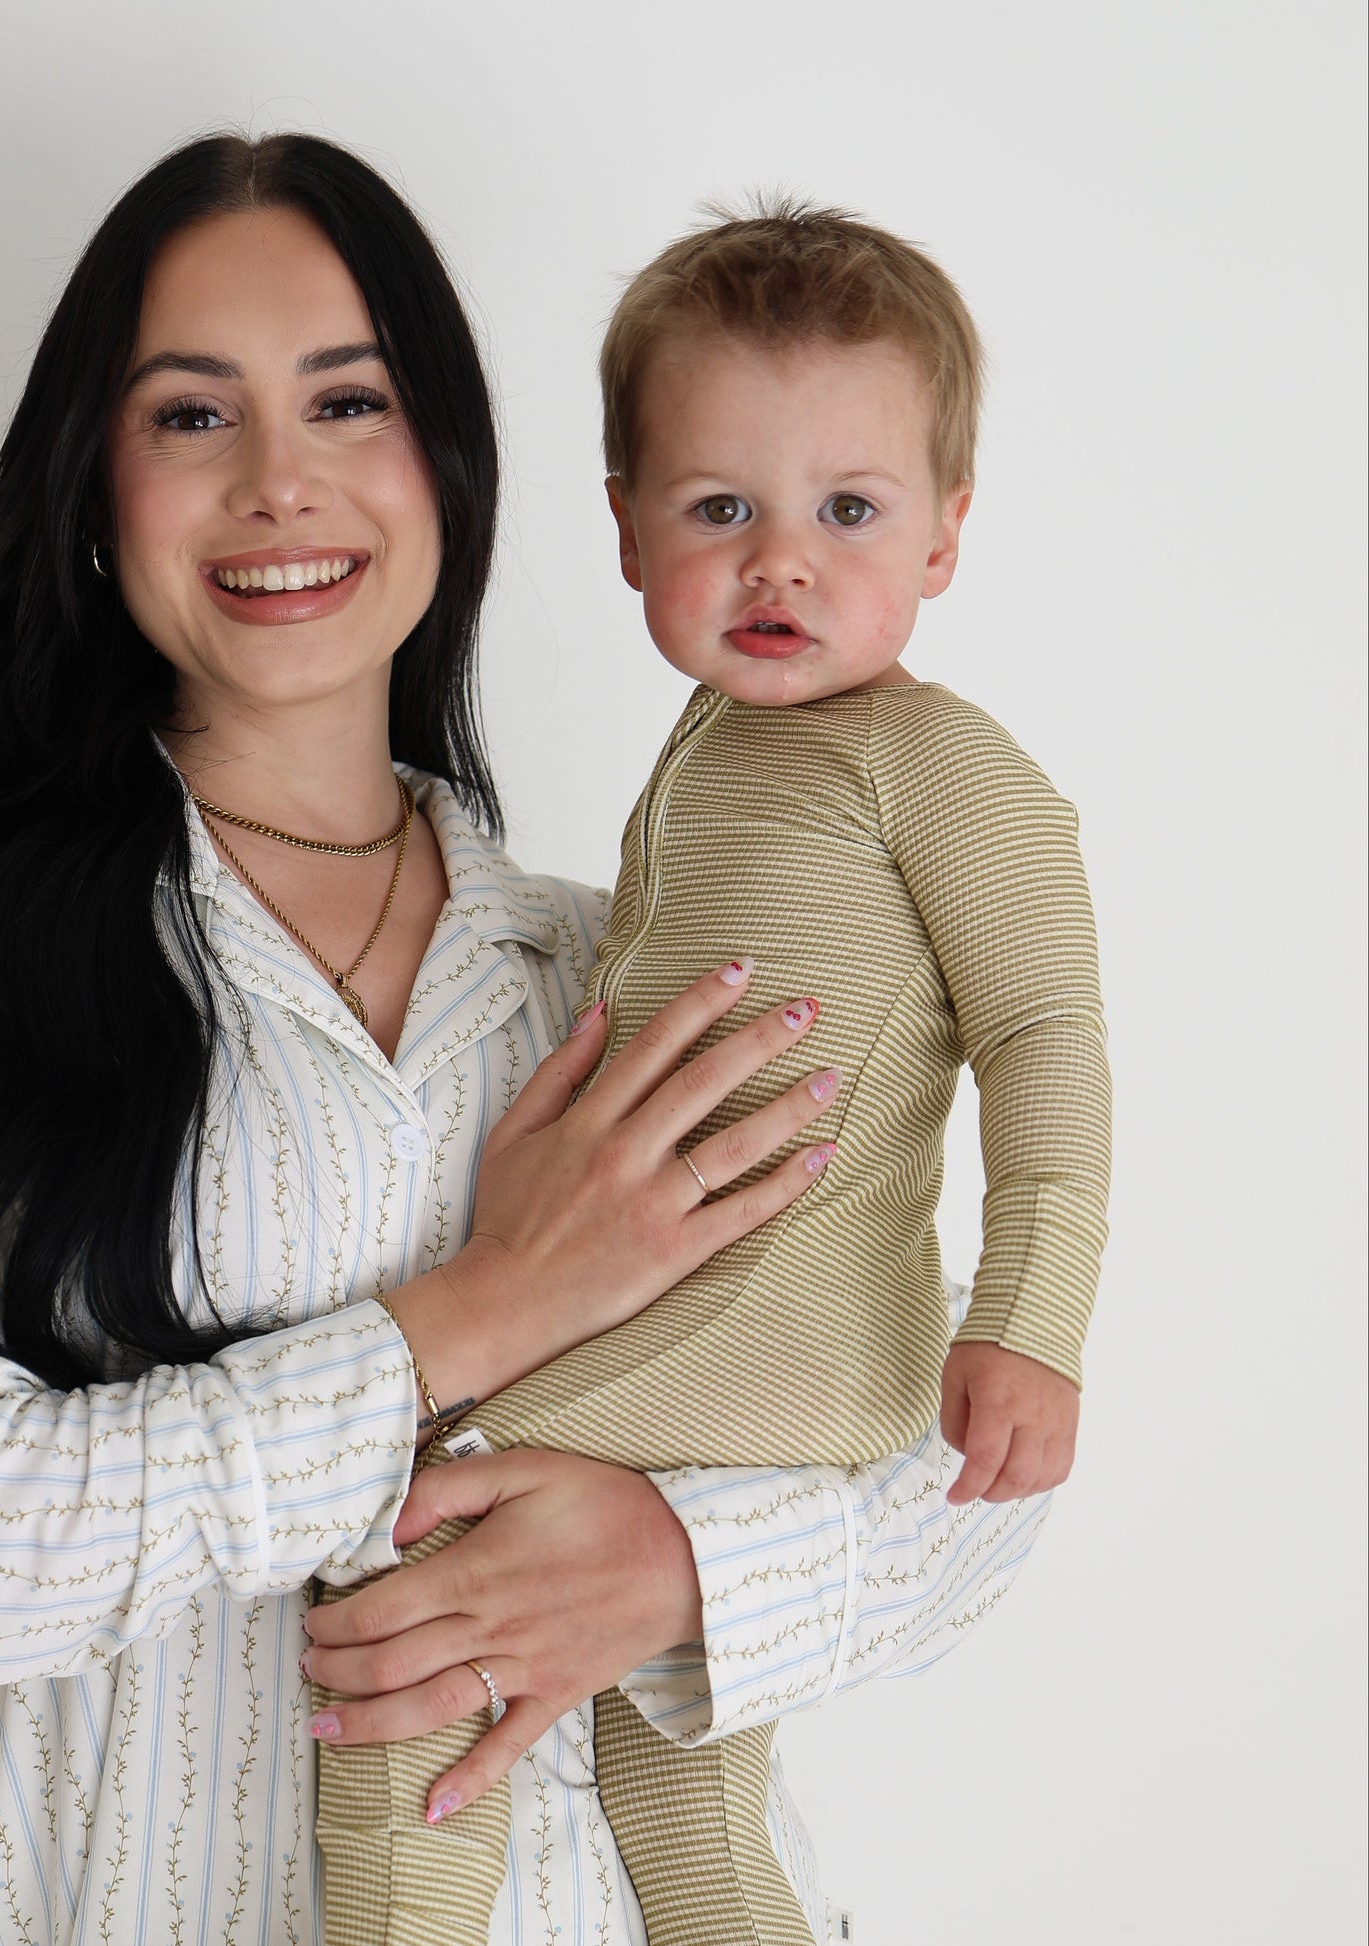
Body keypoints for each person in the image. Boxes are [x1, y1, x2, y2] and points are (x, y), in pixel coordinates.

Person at [0, 133, 1056, 1946]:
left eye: (348, 403)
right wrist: (475, 1312)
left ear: (449, 465)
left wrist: (676, 1567)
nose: (279, 486)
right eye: (191, 416)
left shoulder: (611, 972)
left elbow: (966, 1476)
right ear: (94, 480)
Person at [311, 202, 1110, 1946]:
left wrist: (1029, 1319)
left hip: (783, 1323)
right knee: (680, 1758)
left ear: (945, 534)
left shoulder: (942, 769)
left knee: (422, 1539)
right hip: (719, 1312)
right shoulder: (721, 747)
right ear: (624, 530)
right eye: (717, 509)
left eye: (848, 510)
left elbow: (1044, 1036)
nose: (779, 564)